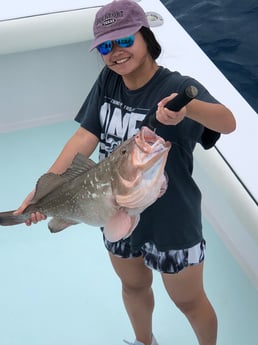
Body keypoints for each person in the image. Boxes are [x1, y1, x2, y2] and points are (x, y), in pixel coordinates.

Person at [15, 1, 236, 344]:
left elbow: (228, 122)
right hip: (113, 209)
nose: (115, 53)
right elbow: (85, 136)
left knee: (189, 301)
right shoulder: (108, 81)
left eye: (124, 40)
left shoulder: (177, 87)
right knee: (133, 286)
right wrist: (42, 192)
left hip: (172, 220)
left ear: (146, 37)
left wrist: (187, 107)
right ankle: (144, 342)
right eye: (105, 46)